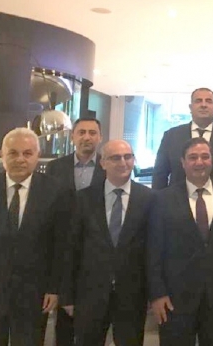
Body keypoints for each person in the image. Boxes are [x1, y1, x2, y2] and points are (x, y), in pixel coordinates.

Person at [0, 128, 72, 345]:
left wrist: (54, 288)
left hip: (34, 294)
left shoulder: (56, 192)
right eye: (13, 153)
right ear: (1, 154)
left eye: (27, 153)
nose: (20, 159)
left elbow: (61, 245)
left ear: (37, 155)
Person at [60, 140, 153, 346]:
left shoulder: (149, 198)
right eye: (115, 157)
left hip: (132, 295)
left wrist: (154, 294)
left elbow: (153, 250)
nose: (123, 162)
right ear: (103, 163)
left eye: (128, 157)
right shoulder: (83, 199)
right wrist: (66, 295)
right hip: (90, 295)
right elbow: (71, 249)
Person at [148, 137, 213, 345]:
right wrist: (157, 293)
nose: (199, 162)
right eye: (193, 157)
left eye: (205, 156)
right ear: (182, 162)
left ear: (212, 160)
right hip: (174, 298)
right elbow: (154, 249)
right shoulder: (162, 199)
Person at [44, 117, 106, 345]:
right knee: (64, 319)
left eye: (92, 133)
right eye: (81, 132)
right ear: (72, 137)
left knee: (93, 322)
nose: (86, 137)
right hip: (62, 245)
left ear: (100, 137)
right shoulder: (55, 167)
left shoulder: (107, 165)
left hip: (95, 247)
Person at [152, 87, 213, 188]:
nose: (203, 105)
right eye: (198, 101)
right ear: (190, 107)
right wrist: (159, 197)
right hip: (178, 196)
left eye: (208, 101)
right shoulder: (171, 136)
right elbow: (160, 174)